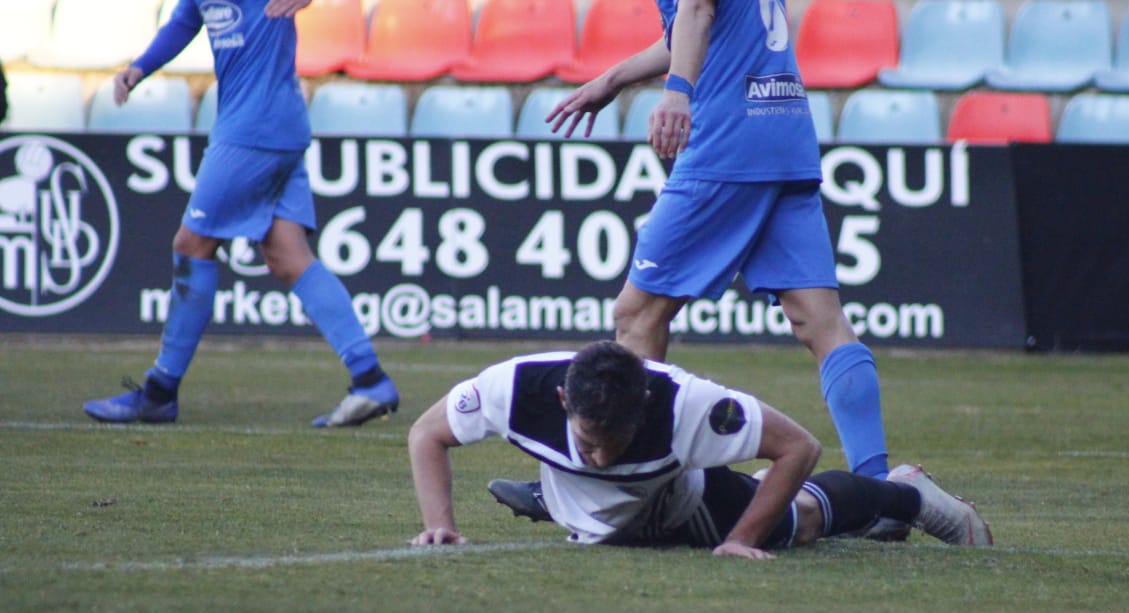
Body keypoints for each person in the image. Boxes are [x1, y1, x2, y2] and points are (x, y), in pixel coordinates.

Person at [493, 0, 909, 538]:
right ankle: (879, 495)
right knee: (821, 321)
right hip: (783, 130)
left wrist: (677, 92)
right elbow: (697, 28)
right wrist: (614, 79)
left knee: (638, 314)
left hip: (726, 140)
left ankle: (613, 484)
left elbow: (696, 10)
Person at [83, 0, 399, 428]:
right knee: (288, 256)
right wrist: (140, 68)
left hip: (252, 131)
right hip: (278, 127)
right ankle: (370, 379)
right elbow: (184, 21)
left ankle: (159, 393)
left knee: (191, 246)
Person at [409, 341, 991, 558]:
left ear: (643, 405)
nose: (602, 457)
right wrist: (439, 526)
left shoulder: (688, 403)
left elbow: (799, 446)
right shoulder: (510, 389)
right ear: (563, 400)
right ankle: (554, 500)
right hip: (601, 515)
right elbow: (426, 435)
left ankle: (906, 495)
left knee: (800, 520)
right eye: (589, 442)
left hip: (684, 503)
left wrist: (741, 539)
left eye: (615, 443)